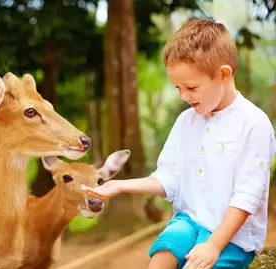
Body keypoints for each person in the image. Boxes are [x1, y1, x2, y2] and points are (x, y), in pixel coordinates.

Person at [82, 18, 276, 269]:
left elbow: (247, 197)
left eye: (191, 87)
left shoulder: (254, 124)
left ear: (224, 74)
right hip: (188, 221)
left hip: (231, 236)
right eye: (177, 88)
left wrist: (214, 246)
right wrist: (119, 185)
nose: (184, 97)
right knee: (162, 256)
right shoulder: (186, 121)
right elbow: (168, 178)